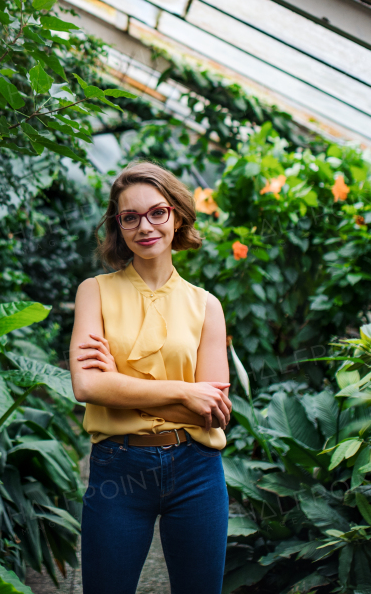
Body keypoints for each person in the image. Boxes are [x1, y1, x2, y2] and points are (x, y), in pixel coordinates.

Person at [70, 161, 232, 594]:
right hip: (118, 469)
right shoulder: (95, 292)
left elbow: (213, 412)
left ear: (176, 215)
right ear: (117, 225)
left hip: (196, 470)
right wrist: (184, 392)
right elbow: (87, 387)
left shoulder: (206, 306)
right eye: (130, 217)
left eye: (157, 212)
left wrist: (118, 384)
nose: (145, 226)